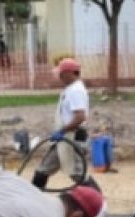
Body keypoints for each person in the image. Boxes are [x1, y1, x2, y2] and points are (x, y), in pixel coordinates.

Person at [32, 58, 96, 191]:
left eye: (61, 74)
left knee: (77, 173)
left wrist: (62, 130)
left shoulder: (76, 91)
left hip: (72, 137)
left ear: (69, 73)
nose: (59, 77)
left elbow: (80, 116)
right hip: (64, 137)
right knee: (43, 170)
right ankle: (33, 199)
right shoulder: (71, 89)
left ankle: (97, 200)